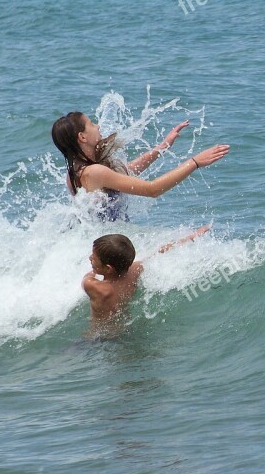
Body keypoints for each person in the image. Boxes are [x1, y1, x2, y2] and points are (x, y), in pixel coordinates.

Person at [51, 112, 229, 221]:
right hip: (112, 247)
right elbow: (153, 190)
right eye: (91, 124)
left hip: (104, 243)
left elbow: (126, 172)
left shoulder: (74, 173)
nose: (97, 126)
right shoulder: (95, 172)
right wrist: (195, 162)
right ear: (82, 137)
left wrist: (162, 147)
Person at [83, 225, 211, 324]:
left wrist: (94, 271)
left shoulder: (95, 287)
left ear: (108, 268)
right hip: (124, 326)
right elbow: (158, 254)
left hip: (100, 335)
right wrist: (192, 237)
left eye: (93, 258)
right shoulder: (135, 270)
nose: (90, 258)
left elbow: (87, 277)